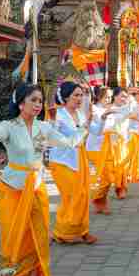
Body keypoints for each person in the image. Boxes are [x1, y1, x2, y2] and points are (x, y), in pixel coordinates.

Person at [0, 82, 89, 276]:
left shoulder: (43, 128)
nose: (38, 105)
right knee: (14, 233)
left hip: (37, 187)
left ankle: (33, 274)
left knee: (37, 233)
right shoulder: (9, 126)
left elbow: (69, 142)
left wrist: (83, 129)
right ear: (21, 104)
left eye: (40, 101)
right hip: (12, 188)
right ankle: (13, 273)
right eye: (33, 100)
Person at [49, 82, 100, 245]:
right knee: (71, 196)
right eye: (76, 95)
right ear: (65, 97)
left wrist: (101, 119)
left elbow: (96, 131)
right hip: (61, 161)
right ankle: (61, 231)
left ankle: (82, 230)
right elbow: (51, 136)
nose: (79, 98)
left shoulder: (81, 114)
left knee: (83, 196)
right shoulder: (58, 115)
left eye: (81, 95)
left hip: (79, 159)